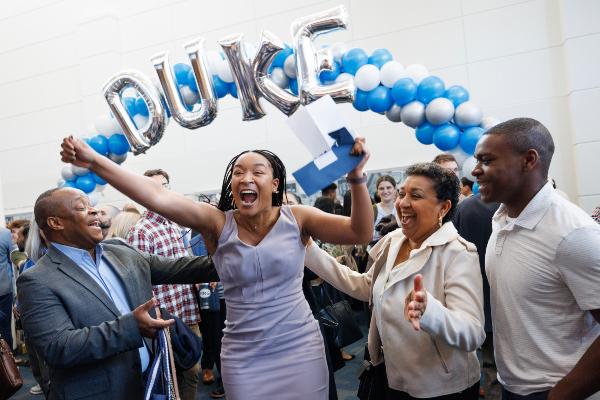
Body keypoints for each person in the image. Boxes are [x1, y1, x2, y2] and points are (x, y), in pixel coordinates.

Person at [60, 135, 373, 400]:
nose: (245, 178)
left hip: (301, 349)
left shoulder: (298, 218)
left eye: (257, 172)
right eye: (238, 172)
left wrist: (357, 179)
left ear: (275, 183)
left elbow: (359, 233)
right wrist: (95, 161)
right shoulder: (217, 223)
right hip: (244, 356)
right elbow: (157, 195)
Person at [17, 187, 219, 400]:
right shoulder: (36, 280)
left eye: (92, 206)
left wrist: (236, 255)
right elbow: (59, 347)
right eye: (82, 207)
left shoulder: (120, 250)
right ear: (55, 222)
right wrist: (132, 326)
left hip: (150, 384)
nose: (94, 211)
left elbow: (181, 268)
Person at [305, 162, 484, 399]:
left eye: (416, 196)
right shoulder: (394, 240)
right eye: (402, 194)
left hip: (439, 387)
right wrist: (308, 249)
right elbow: (366, 287)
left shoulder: (458, 253)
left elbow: (472, 334)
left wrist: (430, 312)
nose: (403, 203)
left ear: (443, 208)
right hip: (391, 377)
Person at [471, 117, 600, 400]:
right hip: (512, 387)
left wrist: (561, 394)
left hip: (557, 390)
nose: (475, 170)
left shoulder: (573, 233)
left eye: (487, 160)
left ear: (529, 160)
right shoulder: (502, 220)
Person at [127, 168, 202, 400]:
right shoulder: (141, 231)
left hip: (187, 311)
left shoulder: (174, 224)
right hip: (165, 317)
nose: (162, 190)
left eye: (165, 184)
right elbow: (140, 282)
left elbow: (182, 265)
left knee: (190, 371)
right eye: (154, 186)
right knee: (176, 376)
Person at [372, 175, 397, 243]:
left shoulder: (400, 208)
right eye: (381, 188)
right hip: (377, 249)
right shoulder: (372, 210)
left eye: (388, 187)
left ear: (394, 189)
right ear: (377, 192)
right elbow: (364, 234)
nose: (385, 191)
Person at [0, 225, 13, 349]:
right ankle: (9, 365)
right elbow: (12, 259)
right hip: (4, 289)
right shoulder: (5, 234)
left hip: (4, 291)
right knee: (5, 328)